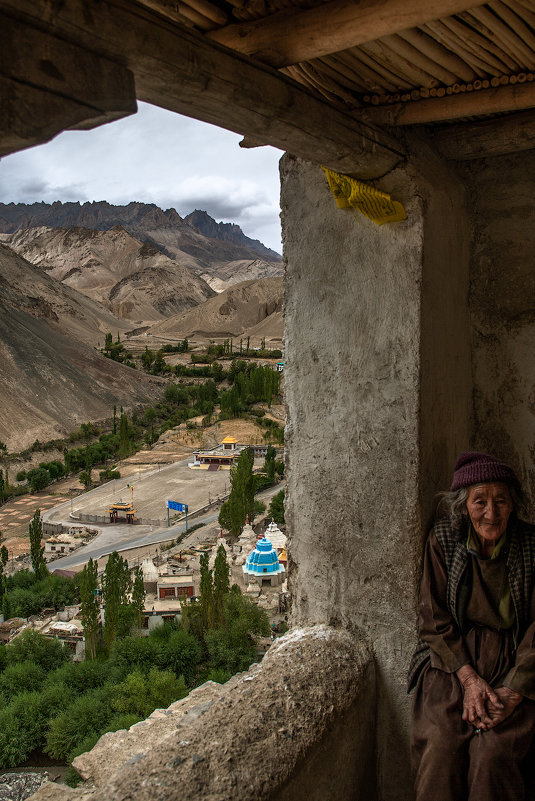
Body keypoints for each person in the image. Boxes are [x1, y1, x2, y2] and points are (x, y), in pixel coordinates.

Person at [409, 451, 535, 801]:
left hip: (514, 661)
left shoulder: (530, 546)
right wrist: (468, 679)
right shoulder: (445, 541)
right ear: (464, 506)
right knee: (441, 746)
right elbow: (433, 617)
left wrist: (514, 690)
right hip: (451, 662)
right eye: (480, 501)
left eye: (501, 501)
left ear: (513, 506)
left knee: (494, 755)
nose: (491, 513)